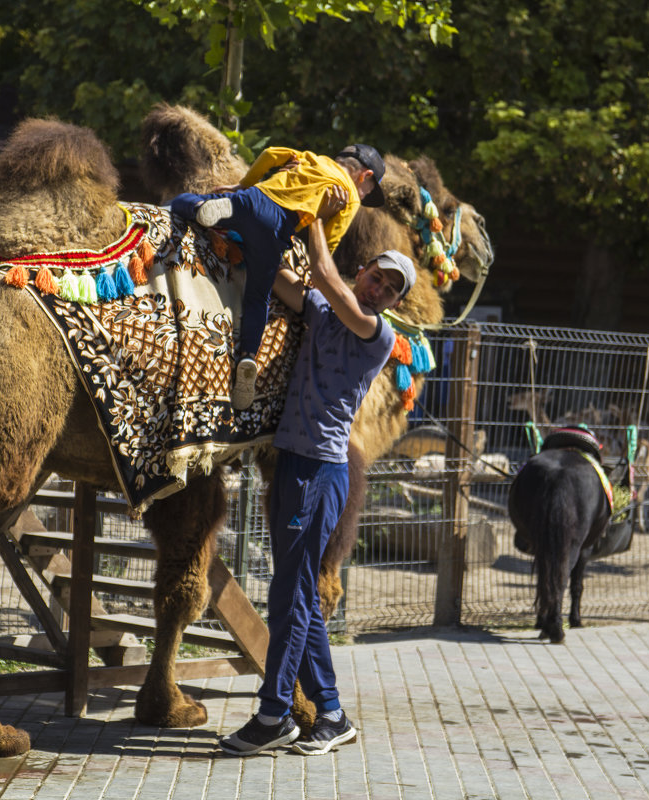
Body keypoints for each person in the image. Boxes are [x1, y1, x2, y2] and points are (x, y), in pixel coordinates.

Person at [218, 221, 416, 757]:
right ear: (363, 273)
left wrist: (315, 222)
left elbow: (324, 273)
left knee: (287, 597)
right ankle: (331, 713)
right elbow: (281, 280)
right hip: (291, 466)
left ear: (394, 302)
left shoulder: (379, 336)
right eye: (377, 278)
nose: (379, 290)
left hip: (322, 473)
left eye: (390, 289)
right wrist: (240, 247)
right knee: (299, 593)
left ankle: (273, 714)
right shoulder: (324, 311)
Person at [170, 143, 387, 410]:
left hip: (256, 200)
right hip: (279, 229)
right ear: (363, 176)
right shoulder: (349, 197)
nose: (363, 197)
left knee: (183, 201)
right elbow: (331, 241)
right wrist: (311, 267)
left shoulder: (310, 157)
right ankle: (248, 357)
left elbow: (272, 153)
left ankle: (204, 210)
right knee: (258, 298)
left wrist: (243, 184)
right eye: (369, 191)